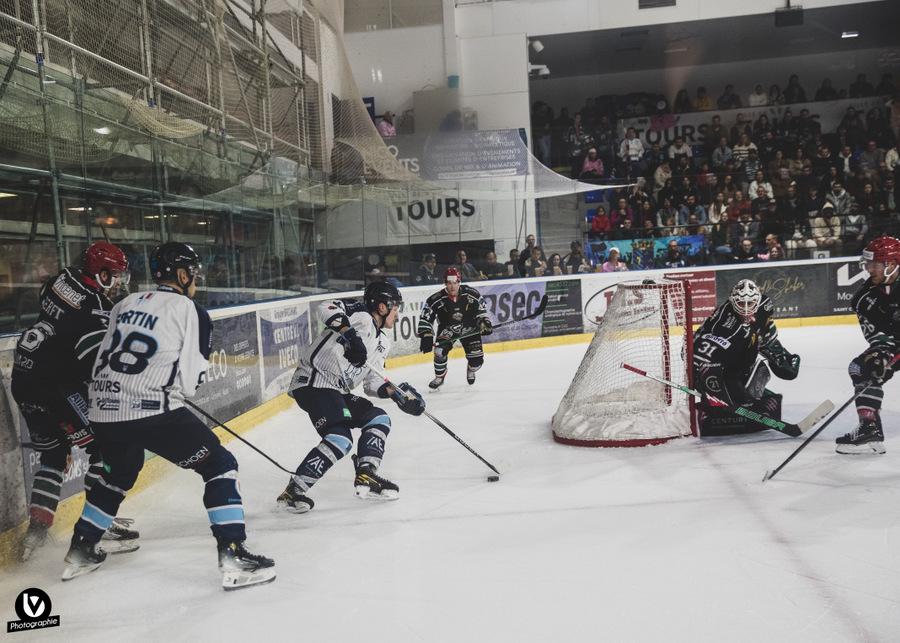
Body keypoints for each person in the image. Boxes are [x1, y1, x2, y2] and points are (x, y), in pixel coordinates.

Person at [63, 242, 275, 590]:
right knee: (220, 465)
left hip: (101, 409)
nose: (196, 279)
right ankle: (234, 553)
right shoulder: (191, 310)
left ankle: (81, 549)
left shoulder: (124, 304)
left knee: (119, 473)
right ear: (181, 274)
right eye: (193, 272)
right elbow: (190, 384)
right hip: (151, 410)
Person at [12, 241, 137, 561]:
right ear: (104, 272)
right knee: (104, 449)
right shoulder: (96, 310)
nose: (121, 282)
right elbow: (92, 363)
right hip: (56, 387)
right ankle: (97, 525)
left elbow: (59, 314)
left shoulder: (61, 279)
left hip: (24, 379)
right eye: (118, 275)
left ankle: (35, 535)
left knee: (54, 457)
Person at [277, 282, 424, 512]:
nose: (398, 314)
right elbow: (326, 307)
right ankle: (293, 492)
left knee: (379, 418)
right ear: (383, 306)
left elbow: (372, 382)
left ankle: (367, 474)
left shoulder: (382, 342)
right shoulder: (360, 315)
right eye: (396, 308)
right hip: (314, 381)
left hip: (337, 391)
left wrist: (397, 394)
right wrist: (350, 335)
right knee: (340, 438)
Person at [692, 279, 800, 435]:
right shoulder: (725, 323)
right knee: (732, 384)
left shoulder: (764, 305)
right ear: (733, 301)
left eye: (751, 303)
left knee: (782, 370)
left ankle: (747, 396)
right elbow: (703, 346)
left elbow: (766, 329)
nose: (747, 309)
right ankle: (742, 399)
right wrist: (702, 374)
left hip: (744, 358)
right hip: (722, 364)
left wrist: (777, 353)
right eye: (742, 304)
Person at [834, 236, 900, 454]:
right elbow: (879, 337)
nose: (869, 269)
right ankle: (869, 427)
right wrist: (881, 356)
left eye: (875, 264)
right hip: (895, 344)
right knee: (861, 367)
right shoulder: (864, 298)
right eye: (868, 264)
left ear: (891, 264)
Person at [417, 268, 492, 389]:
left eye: (455, 282)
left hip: (470, 328)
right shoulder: (435, 299)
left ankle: (471, 369)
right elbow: (425, 318)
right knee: (439, 351)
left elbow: (481, 312)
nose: (452, 286)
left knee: (477, 363)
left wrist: (484, 322)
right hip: (448, 328)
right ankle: (440, 376)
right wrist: (426, 334)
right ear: (445, 283)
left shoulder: (472, 293)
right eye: (449, 283)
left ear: (459, 282)